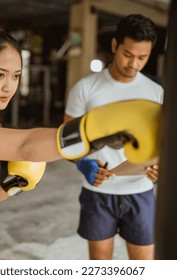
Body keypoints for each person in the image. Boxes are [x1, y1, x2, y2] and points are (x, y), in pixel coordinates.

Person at [0, 30, 160, 260]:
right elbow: (25, 145)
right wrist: (97, 128)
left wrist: (14, 185)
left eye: (16, 76)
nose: (9, 86)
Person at [64, 14, 163, 260]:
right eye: (128, 54)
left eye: (143, 57)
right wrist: (81, 163)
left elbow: (164, 144)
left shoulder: (155, 92)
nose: (134, 64)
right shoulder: (85, 89)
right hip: (97, 192)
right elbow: (67, 143)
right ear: (114, 46)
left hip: (140, 192)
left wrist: (161, 166)